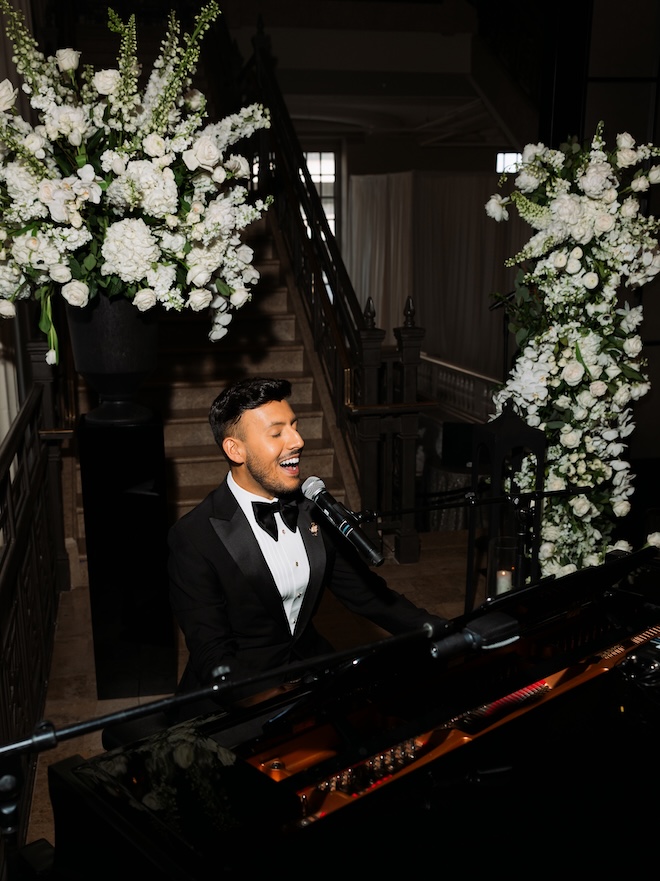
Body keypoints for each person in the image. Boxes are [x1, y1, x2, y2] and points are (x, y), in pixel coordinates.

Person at [166, 376, 447, 719]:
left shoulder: (314, 510)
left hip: (310, 671)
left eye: (295, 426)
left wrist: (447, 632)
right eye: (277, 433)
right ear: (235, 450)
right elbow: (212, 653)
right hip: (236, 697)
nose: (298, 441)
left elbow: (371, 597)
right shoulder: (194, 536)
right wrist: (275, 704)